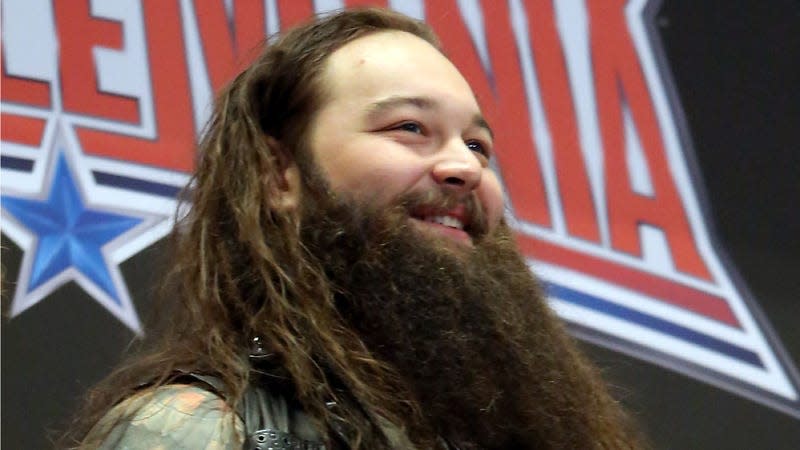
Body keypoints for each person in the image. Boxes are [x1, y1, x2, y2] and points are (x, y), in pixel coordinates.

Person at [64, 7, 645, 450]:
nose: (465, 166)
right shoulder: (194, 431)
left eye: (478, 145)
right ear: (278, 175)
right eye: (410, 127)